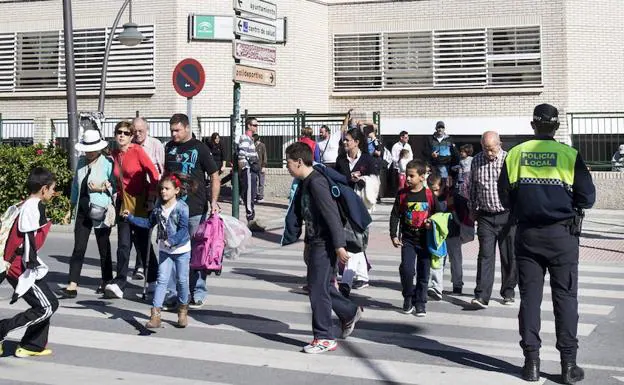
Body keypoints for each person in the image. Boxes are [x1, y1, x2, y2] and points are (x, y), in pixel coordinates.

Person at [498, 103, 596, 383]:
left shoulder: (515, 154)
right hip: (562, 237)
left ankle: (531, 364)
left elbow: (505, 196)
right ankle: (568, 366)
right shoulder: (568, 154)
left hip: (527, 235)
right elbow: (587, 197)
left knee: (529, 300)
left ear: (532, 125)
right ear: (556, 127)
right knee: (565, 298)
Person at [284, 142, 362, 354]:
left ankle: (325, 337)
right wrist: (307, 244)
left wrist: (339, 246)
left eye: (288, 163)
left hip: (326, 243)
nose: (287, 168)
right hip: (316, 242)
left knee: (317, 289)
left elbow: (331, 215)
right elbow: (310, 217)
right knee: (320, 285)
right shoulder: (306, 182)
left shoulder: (316, 183)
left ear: (299, 162)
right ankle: (349, 311)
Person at [0, 167, 59, 358]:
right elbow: (27, 238)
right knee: (47, 306)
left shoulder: (26, 204)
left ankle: (33, 345)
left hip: (23, 264)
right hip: (20, 267)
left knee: (47, 302)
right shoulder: (33, 207)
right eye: (52, 189)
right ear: (43, 189)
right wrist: (31, 263)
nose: (53, 193)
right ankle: (2, 329)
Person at [124, 173, 192, 329]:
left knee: (182, 281)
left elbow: (183, 230)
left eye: (167, 189)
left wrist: (172, 240)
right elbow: (149, 223)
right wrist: (131, 218)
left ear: (176, 190)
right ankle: (155, 315)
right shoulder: (158, 208)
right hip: (165, 250)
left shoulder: (182, 207)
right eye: (161, 188)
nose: (163, 192)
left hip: (181, 250)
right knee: (162, 280)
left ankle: (182, 310)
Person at [165, 113, 220, 309]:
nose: (173, 134)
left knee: (196, 253)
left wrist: (213, 201)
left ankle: (197, 292)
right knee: (172, 249)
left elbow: (214, 175)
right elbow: (166, 176)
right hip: (172, 209)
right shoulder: (169, 148)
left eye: (177, 130)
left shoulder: (201, 148)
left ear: (187, 128)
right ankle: (173, 293)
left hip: (195, 208)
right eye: (171, 130)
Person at [106, 121, 160, 299]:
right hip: (123, 203)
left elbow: (153, 173)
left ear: (131, 136)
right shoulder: (114, 155)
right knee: (123, 244)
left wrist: (152, 196)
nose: (121, 135)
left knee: (143, 243)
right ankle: (120, 282)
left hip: (139, 203)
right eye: (118, 132)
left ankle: (153, 279)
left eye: (126, 133)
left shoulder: (137, 151)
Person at [59, 129, 115, 298]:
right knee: (78, 248)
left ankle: (106, 281)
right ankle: (72, 284)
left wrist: (103, 187)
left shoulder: (107, 163)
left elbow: (115, 185)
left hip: (100, 209)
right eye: (87, 149)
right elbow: (76, 186)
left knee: (103, 246)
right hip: (83, 211)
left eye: (92, 149)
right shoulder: (81, 162)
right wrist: (71, 206)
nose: (89, 152)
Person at [468, 131, 517, 309]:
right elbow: (472, 187)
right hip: (485, 216)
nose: (489, 153)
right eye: (485, 149)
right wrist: (472, 209)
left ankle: (508, 291)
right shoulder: (476, 160)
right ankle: (481, 295)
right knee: (485, 256)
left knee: (509, 255)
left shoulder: (509, 160)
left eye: (492, 149)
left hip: (507, 215)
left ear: (500, 144)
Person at [389, 159, 439, 317]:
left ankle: (420, 302)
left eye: (411, 176)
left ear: (422, 177)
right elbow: (395, 214)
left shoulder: (429, 195)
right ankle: (408, 297)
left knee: (424, 272)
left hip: (425, 239)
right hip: (408, 238)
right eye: (406, 175)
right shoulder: (402, 194)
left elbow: (439, 214)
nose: (408, 179)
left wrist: (433, 224)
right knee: (407, 270)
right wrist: (393, 234)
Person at [334, 128, 378, 293]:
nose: (345, 142)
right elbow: (337, 180)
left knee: (355, 239)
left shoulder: (367, 159)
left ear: (357, 142)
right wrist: (348, 179)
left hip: (362, 205)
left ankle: (347, 280)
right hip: (346, 205)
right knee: (355, 240)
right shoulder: (341, 160)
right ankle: (362, 277)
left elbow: (375, 181)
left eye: (348, 140)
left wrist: (363, 179)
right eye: (344, 140)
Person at [131, 117, 165, 281]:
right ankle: (140, 264)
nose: (137, 134)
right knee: (137, 230)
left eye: (141, 131)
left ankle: (145, 266)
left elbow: (161, 170)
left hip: (152, 193)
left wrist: (158, 194)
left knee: (145, 230)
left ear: (147, 130)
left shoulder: (155, 145)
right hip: (135, 193)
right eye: (135, 131)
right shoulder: (130, 145)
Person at [238, 117, 261, 222]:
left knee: (251, 193)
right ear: (249, 126)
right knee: (249, 194)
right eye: (254, 125)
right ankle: (250, 217)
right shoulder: (245, 138)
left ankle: (251, 216)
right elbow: (242, 154)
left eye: (256, 125)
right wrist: (251, 161)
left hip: (250, 169)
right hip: (247, 169)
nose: (256, 127)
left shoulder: (250, 138)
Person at [424, 121, 459, 185]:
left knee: (444, 184)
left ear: (444, 129)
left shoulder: (449, 139)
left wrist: (456, 164)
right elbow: (424, 151)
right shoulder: (430, 139)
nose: (440, 129)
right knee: (434, 183)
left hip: (446, 166)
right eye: (438, 127)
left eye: (442, 128)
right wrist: (431, 154)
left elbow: (455, 153)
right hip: (434, 166)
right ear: (436, 128)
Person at [253, 133, 267, 203]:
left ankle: (260, 196)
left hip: (260, 166)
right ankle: (255, 195)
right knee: (254, 181)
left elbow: (264, 156)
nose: (256, 143)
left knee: (261, 182)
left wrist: (264, 166)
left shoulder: (262, 145)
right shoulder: (252, 145)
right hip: (254, 166)